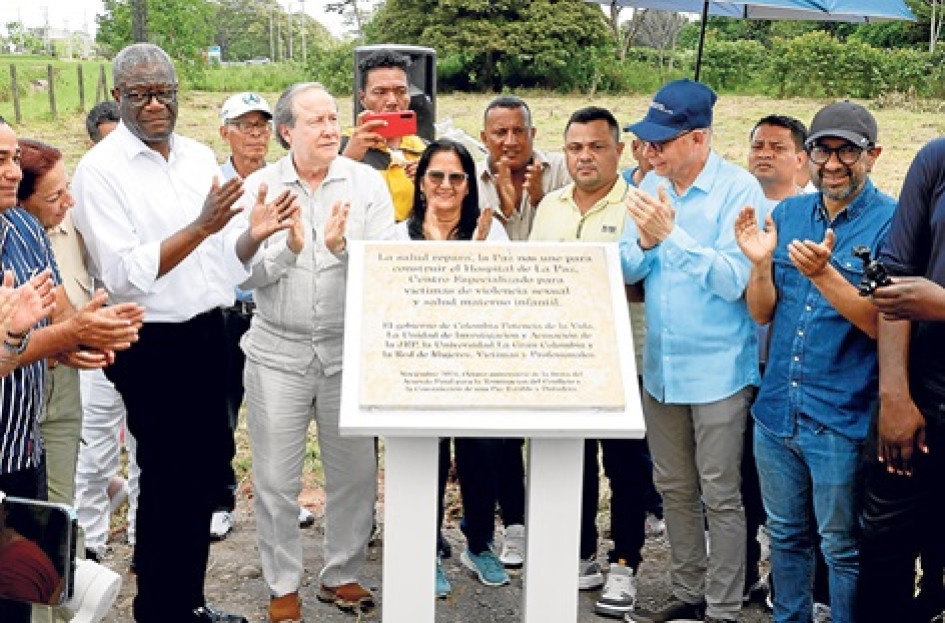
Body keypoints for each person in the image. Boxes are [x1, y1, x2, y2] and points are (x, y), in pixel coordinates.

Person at [71, 43, 298, 623]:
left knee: (204, 475)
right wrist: (202, 225)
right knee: (169, 477)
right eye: (141, 94)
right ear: (118, 96)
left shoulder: (197, 158)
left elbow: (225, 261)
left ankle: (189, 602)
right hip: (149, 342)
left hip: (207, 334)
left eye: (165, 92)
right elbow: (125, 273)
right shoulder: (101, 170)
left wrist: (252, 234)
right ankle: (159, 609)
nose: (155, 105)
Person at [235, 82, 393, 622]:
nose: (331, 129)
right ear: (287, 132)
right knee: (276, 479)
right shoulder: (259, 187)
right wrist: (288, 250)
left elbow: (385, 271)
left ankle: (342, 574)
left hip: (347, 351)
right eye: (316, 121)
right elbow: (240, 276)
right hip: (276, 350)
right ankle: (283, 584)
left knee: (353, 474)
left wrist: (342, 249)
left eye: (333, 119)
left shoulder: (366, 184)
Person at [737, 101, 894, 623]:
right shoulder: (787, 214)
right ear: (807, 156)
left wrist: (827, 276)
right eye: (822, 150)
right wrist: (760, 265)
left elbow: (881, 324)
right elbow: (762, 314)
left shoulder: (890, 223)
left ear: (872, 154)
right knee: (784, 536)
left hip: (840, 418)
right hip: (776, 413)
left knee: (840, 546)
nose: (832, 163)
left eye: (847, 150)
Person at [620, 79, 767, 623]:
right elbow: (625, 266)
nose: (649, 150)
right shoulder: (648, 184)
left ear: (698, 139)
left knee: (721, 493)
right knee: (674, 487)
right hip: (661, 369)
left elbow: (734, 279)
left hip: (719, 373)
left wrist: (671, 236)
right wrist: (645, 238)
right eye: (647, 140)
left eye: (661, 141)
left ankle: (724, 609)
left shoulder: (739, 191)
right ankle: (688, 593)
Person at [530, 106, 651, 619]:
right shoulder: (551, 206)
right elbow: (537, 275)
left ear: (617, 151)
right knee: (572, 462)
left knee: (625, 468)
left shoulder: (640, 205)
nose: (584, 156)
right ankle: (579, 554)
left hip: (625, 359)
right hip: (564, 359)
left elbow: (644, 280)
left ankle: (624, 563)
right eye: (575, 147)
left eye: (596, 146)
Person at [0, 116, 138, 506]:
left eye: (13, 159)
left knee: (35, 549)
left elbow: (59, 312)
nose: (10, 172)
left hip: (21, 445)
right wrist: (73, 332)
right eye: (0, 160)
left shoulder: (25, 228)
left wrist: (85, 338)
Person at [394, 138, 507, 597]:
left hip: (475, 365)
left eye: (456, 177)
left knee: (480, 452)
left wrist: (477, 254)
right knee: (428, 456)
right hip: (417, 368)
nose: (445, 185)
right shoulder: (398, 234)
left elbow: (503, 301)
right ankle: (426, 548)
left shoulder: (489, 231)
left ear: (468, 185)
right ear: (421, 183)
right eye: (436, 176)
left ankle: (479, 542)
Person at [471, 94, 572, 571]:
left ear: (534, 133)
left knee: (556, 433)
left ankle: (561, 530)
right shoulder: (472, 178)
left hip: (556, 324)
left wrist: (533, 203)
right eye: (499, 133)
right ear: (485, 137)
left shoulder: (559, 172)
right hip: (496, 326)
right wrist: (510, 211)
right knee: (504, 435)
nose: (510, 142)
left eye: (519, 131)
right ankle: (515, 525)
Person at [858, 136, 945, 623]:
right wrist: (894, 395)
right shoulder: (936, 159)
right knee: (884, 545)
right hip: (920, 396)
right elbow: (892, 276)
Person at [74, 108, 140, 564]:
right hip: (96, 336)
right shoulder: (76, 197)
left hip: (144, 331)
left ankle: (142, 538)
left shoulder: (144, 194)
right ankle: (91, 542)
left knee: (145, 442)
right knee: (94, 443)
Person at [342, 49, 426, 222]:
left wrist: (429, 185)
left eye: (401, 91)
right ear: (363, 99)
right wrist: (348, 160)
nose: (392, 101)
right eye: (380, 92)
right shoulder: (338, 145)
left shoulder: (426, 151)